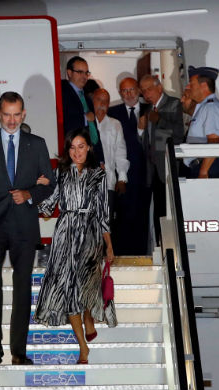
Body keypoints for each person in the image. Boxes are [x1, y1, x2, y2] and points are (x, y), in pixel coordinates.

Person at [0, 92, 55, 366]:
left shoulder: (37, 144)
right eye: (7, 114)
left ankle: (18, 351)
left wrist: (29, 193)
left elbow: (50, 184)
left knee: (22, 286)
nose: (12, 120)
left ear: (24, 114)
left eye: (17, 114)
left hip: (24, 226)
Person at [34, 128, 117, 364]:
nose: (77, 152)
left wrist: (108, 246)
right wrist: (41, 188)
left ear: (89, 148)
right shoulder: (60, 173)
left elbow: (103, 214)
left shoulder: (99, 175)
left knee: (86, 287)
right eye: (72, 147)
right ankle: (83, 347)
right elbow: (48, 209)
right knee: (69, 291)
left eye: (81, 146)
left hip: (90, 236)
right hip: (65, 235)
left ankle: (88, 317)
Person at [108, 77, 151, 255]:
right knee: (122, 215)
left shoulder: (150, 110)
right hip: (121, 174)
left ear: (139, 91)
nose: (128, 94)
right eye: (124, 91)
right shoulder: (112, 112)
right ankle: (121, 253)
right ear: (119, 93)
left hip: (145, 173)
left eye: (132, 90)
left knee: (142, 215)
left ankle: (141, 253)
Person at [139, 75, 184, 244]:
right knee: (158, 213)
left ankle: (171, 248)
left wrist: (160, 121)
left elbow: (178, 134)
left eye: (148, 89)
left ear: (159, 87)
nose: (145, 94)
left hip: (167, 167)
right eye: (142, 91)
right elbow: (146, 141)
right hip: (153, 169)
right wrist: (140, 130)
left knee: (169, 212)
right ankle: (161, 247)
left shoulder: (173, 103)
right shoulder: (148, 109)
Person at [184, 66, 219, 179]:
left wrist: (203, 172)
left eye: (191, 83)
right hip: (202, 166)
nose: (188, 87)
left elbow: (214, 140)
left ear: (203, 85)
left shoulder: (211, 107)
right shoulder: (203, 107)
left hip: (208, 168)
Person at [92, 88, 129, 222]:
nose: (102, 104)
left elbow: (120, 152)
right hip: (87, 184)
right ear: (92, 100)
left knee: (106, 226)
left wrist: (122, 178)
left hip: (108, 182)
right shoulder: (85, 123)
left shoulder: (115, 124)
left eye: (106, 102)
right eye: (99, 100)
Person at [61, 56, 105, 165]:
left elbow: (93, 130)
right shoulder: (62, 91)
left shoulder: (86, 97)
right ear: (69, 73)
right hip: (73, 156)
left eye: (86, 73)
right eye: (80, 72)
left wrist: (100, 159)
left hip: (90, 156)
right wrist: (85, 118)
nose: (84, 76)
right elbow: (64, 120)